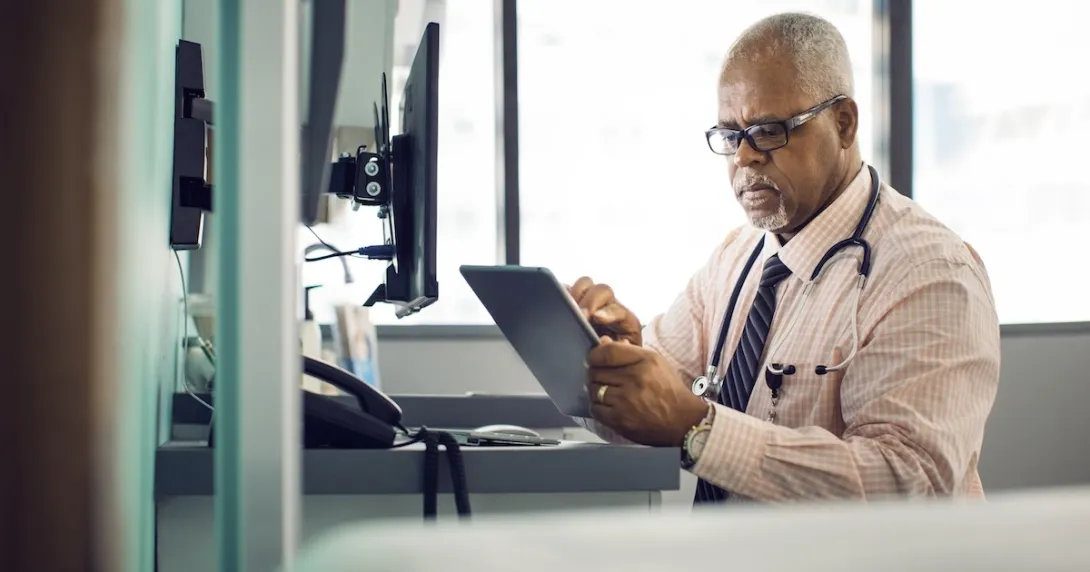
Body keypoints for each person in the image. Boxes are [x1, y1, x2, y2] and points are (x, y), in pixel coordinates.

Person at [569, 12, 1000, 503]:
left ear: (844, 124)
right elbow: (647, 415)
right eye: (731, 136)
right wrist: (612, 364)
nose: (744, 158)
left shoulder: (928, 273)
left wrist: (699, 428)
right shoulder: (737, 259)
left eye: (769, 131)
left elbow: (909, 483)